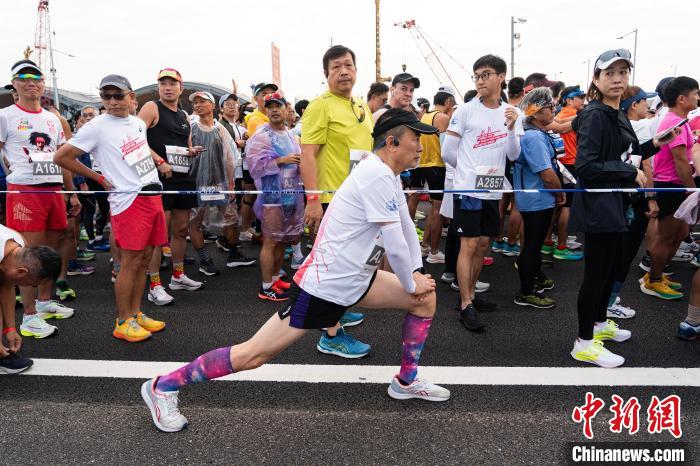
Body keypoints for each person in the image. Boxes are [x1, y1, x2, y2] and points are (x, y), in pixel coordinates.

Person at [141, 108, 450, 433]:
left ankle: (406, 380)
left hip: (358, 278)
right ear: (391, 142)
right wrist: (410, 282)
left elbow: (404, 230)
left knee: (423, 300)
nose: (421, 146)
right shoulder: (374, 175)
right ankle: (164, 386)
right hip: (324, 287)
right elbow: (396, 245)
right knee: (253, 355)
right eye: (416, 139)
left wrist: (415, 275)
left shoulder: (388, 174)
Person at [568, 49, 676, 367]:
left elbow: (624, 153)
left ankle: (599, 324)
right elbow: (586, 165)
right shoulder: (596, 114)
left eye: (622, 73)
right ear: (596, 79)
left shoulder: (614, 113)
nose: (617, 79)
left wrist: (654, 144)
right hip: (598, 207)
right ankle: (584, 342)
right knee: (596, 275)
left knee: (611, 268)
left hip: (615, 205)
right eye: (609, 73)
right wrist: (629, 171)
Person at [54, 74, 170, 343]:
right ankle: (123, 320)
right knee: (129, 263)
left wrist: (159, 164)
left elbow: (139, 155)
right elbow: (61, 157)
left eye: (118, 95)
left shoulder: (138, 124)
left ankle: (136, 313)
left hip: (151, 194)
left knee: (144, 260)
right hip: (128, 201)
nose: (113, 101)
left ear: (132, 98)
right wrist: (100, 179)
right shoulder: (97, 126)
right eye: (107, 96)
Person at [300, 45, 374, 358]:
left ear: (356, 70)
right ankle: (331, 334)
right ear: (326, 74)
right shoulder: (320, 106)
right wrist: (313, 199)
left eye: (348, 65)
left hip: (358, 200)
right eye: (335, 67)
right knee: (333, 267)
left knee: (351, 264)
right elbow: (308, 155)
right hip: (333, 201)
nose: (343, 71)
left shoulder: (360, 106)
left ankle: (338, 310)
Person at [441, 54, 523, 331]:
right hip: (469, 190)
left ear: (502, 77)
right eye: (476, 75)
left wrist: (512, 128)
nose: (480, 80)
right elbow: (447, 152)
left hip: (493, 189)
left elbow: (513, 154)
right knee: (469, 245)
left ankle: (472, 294)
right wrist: (467, 174)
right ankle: (465, 303)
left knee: (484, 244)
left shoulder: (511, 113)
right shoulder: (464, 111)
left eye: (486, 74)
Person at [0, 59, 78, 339]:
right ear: (15, 85)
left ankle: (45, 303)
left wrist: (70, 193)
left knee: (51, 250)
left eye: (36, 77)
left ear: (43, 84)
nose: (31, 82)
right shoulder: (5, 115)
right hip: (24, 191)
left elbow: (62, 158)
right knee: (27, 255)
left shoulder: (53, 118)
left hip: (53, 189)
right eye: (23, 77)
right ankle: (29, 316)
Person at [138, 68, 203, 305]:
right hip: (158, 177)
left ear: (180, 88)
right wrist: (160, 161)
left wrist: (191, 151)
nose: (167, 87)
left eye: (172, 83)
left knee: (181, 230)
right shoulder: (151, 108)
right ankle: (154, 284)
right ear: (158, 87)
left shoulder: (184, 114)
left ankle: (178, 275)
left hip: (183, 176)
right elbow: (136, 139)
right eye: (163, 83)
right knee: (159, 233)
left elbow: (185, 144)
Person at [643, 77, 700, 300]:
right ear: (682, 98)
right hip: (671, 186)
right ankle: (653, 280)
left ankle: (657, 276)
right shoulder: (673, 122)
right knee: (666, 237)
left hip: (677, 186)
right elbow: (680, 161)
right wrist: (692, 190)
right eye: (695, 93)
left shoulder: (681, 121)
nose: (698, 98)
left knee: (680, 234)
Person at [247, 93, 304, 301]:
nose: (273, 110)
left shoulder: (290, 135)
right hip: (272, 197)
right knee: (271, 241)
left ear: (286, 108)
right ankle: (266, 286)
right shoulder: (262, 135)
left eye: (277, 106)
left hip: (291, 195)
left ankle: (274, 278)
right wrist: (282, 160)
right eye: (268, 106)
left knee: (282, 241)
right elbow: (254, 166)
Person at [513, 87, 563, 308]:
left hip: (534, 198)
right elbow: (547, 174)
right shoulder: (533, 137)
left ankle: (535, 277)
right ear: (535, 111)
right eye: (549, 107)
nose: (553, 110)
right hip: (536, 199)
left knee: (533, 245)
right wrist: (560, 194)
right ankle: (526, 292)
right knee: (532, 247)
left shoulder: (533, 132)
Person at [187, 91, 240, 276]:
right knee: (195, 222)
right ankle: (204, 260)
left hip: (219, 184)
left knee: (231, 218)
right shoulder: (191, 128)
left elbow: (230, 159)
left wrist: (231, 185)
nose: (198, 105)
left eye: (203, 101)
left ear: (212, 106)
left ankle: (234, 254)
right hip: (197, 184)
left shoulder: (221, 129)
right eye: (196, 102)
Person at [0, 224, 61, 374]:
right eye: (32, 284)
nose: (33, 288)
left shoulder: (19, 244)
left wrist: (10, 329)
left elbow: (6, 288)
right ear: (21, 271)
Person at [407, 87, 455, 264]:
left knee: (413, 198)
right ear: (448, 101)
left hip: (420, 163)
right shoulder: (442, 118)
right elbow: (447, 147)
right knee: (437, 209)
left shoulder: (425, 115)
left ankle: (424, 245)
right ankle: (434, 251)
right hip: (436, 165)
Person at [216, 93, 257, 268]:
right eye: (228, 104)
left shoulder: (236, 125)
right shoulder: (220, 126)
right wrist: (236, 142)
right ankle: (233, 254)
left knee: (232, 211)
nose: (232, 106)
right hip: (226, 176)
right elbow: (219, 148)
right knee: (230, 213)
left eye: (235, 103)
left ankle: (225, 240)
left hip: (237, 172)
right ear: (221, 108)